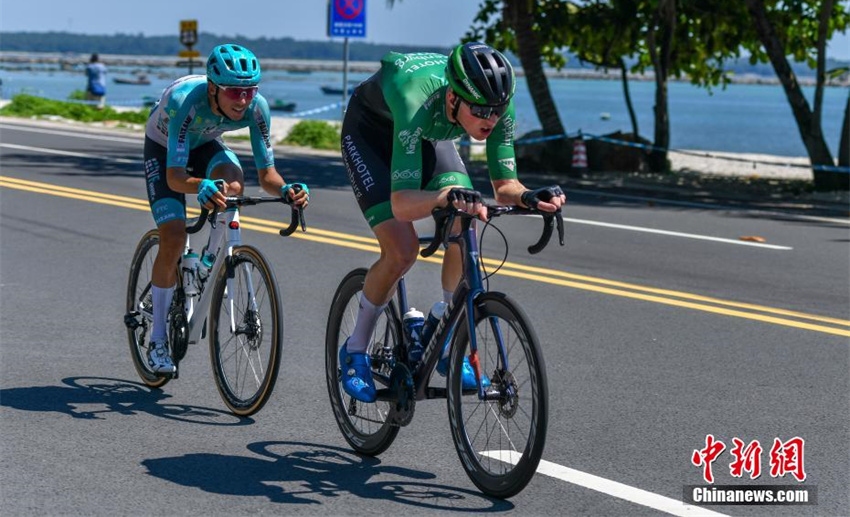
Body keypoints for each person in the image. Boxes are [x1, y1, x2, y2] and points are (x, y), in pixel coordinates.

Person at [339, 42, 566, 402]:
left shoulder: (493, 104)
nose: (490, 119)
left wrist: (529, 196)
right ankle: (355, 350)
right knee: (402, 250)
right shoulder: (416, 100)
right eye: (480, 110)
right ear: (453, 99)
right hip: (372, 134)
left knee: (467, 217)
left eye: (497, 110)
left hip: (427, 135)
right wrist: (441, 198)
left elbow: (505, 186)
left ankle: (444, 334)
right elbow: (401, 205)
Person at [142, 43, 310, 374]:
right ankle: (158, 339)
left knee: (234, 184)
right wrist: (198, 185)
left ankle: (207, 260)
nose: (243, 100)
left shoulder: (257, 108)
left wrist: (287, 189)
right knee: (174, 238)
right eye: (235, 92)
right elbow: (176, 178)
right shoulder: (186, 103)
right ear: (214, 88)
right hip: (164, 149)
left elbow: (267, 175)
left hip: (204, 143)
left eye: (250, 91)